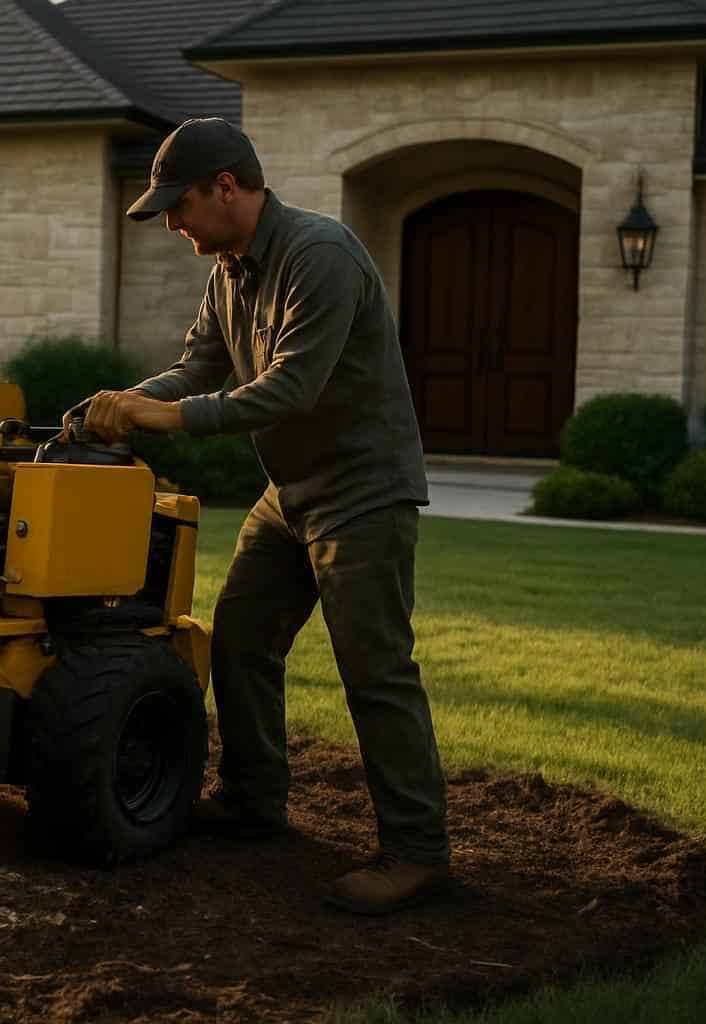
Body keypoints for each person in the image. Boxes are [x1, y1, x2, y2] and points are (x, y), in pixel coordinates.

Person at [74, 117, 450, 915]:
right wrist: (125, 401)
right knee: (240, 638)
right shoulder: (229, 272)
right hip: (292, 493)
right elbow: (200, 364)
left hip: (364, 492)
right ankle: (254, 801)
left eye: (178, 207)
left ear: (228, 188)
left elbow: (289, 389)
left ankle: (417, 853)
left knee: (375, 671)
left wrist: (158, 421)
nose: (171, 223)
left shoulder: (321, 256)